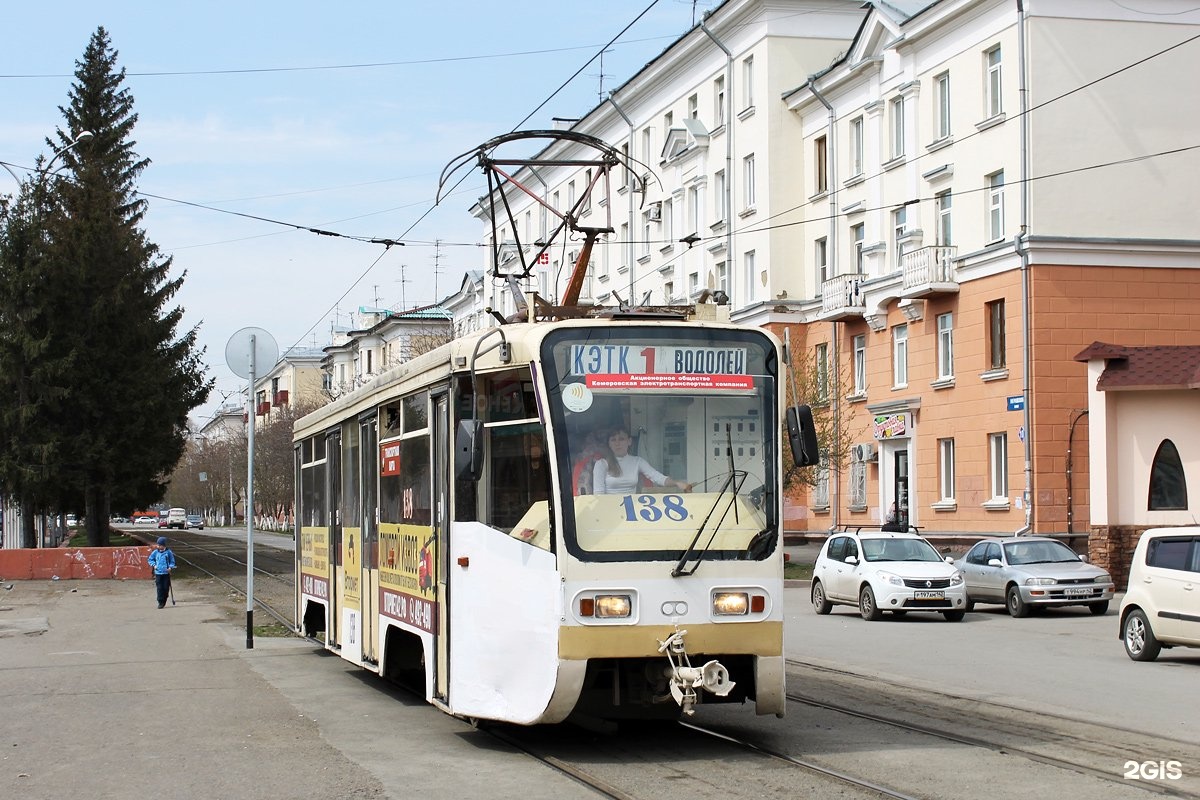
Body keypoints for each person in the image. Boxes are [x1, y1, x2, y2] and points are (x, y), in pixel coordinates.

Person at [593, 426, 691, 495]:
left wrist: (677, 483)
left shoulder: (637, 461)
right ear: (609, 444)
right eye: (613, 440)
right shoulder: (601, 464)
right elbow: (598, 494)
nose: (617, 443)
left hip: (631, 511)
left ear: (629, 441)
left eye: (621, 439)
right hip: (610, 512)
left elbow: (657, 477)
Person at [148, 536, 176, 609]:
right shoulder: (155, 552)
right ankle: (160, 602)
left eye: (160, 545)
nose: (158, 546)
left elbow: (172, 561)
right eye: (158, 545)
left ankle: (164, 598)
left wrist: (170, 567)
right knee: (160, 588)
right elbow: (150, 559)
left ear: (163, 545)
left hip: (166, 573)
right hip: (158, 573)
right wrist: (154, 565)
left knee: (166, 588)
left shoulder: (168, 552)